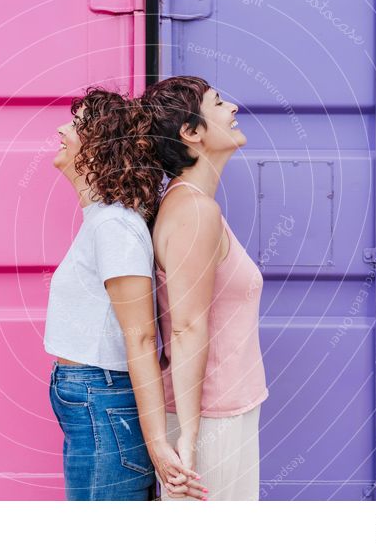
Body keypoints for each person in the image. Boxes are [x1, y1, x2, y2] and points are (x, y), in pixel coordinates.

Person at [44, 88, 204, 500]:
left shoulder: (114, 225)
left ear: (99, 148)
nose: (62, 129)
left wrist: (155, 444)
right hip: (93, 397)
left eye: (76, 126)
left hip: (102, 398)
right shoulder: (103, 220)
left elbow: (141, 336)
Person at [140, 76, 269, 501]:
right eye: (217, 102)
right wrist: (190, 442)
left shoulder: (192, 204)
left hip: (219, 412)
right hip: (211, 418)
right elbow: (185, 329)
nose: (232, 107)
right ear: (191, 132)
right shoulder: (195, 211)